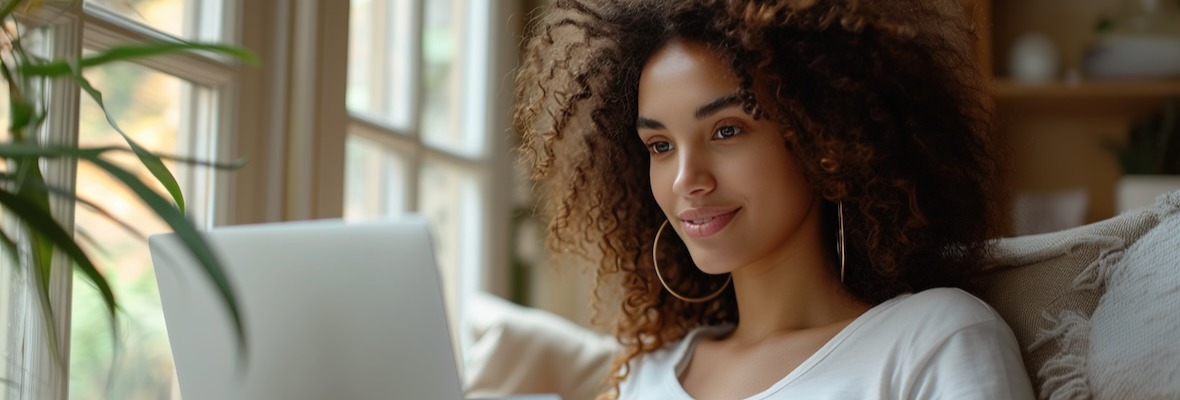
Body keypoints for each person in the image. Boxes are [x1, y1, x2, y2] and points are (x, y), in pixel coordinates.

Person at [514, 0, 1035, 398]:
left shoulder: (935, 339)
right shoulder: (644, 378)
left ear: (826, 139)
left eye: (726, 131)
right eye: (661, 145)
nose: (685, 180)